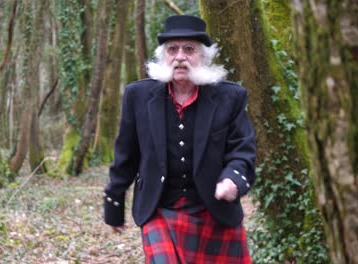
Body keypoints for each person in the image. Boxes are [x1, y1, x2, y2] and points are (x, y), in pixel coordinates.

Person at [103, 15, 256, 263]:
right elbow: (125, 156)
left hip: (213, 211)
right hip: (160, 210)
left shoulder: (230, 97)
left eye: (189, 49)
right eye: (172, 49)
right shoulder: (138, 96)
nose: (180, 56)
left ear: (203, 57)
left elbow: (243, 150)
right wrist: (114, 206)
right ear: (163, 56)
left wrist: (233, 179)